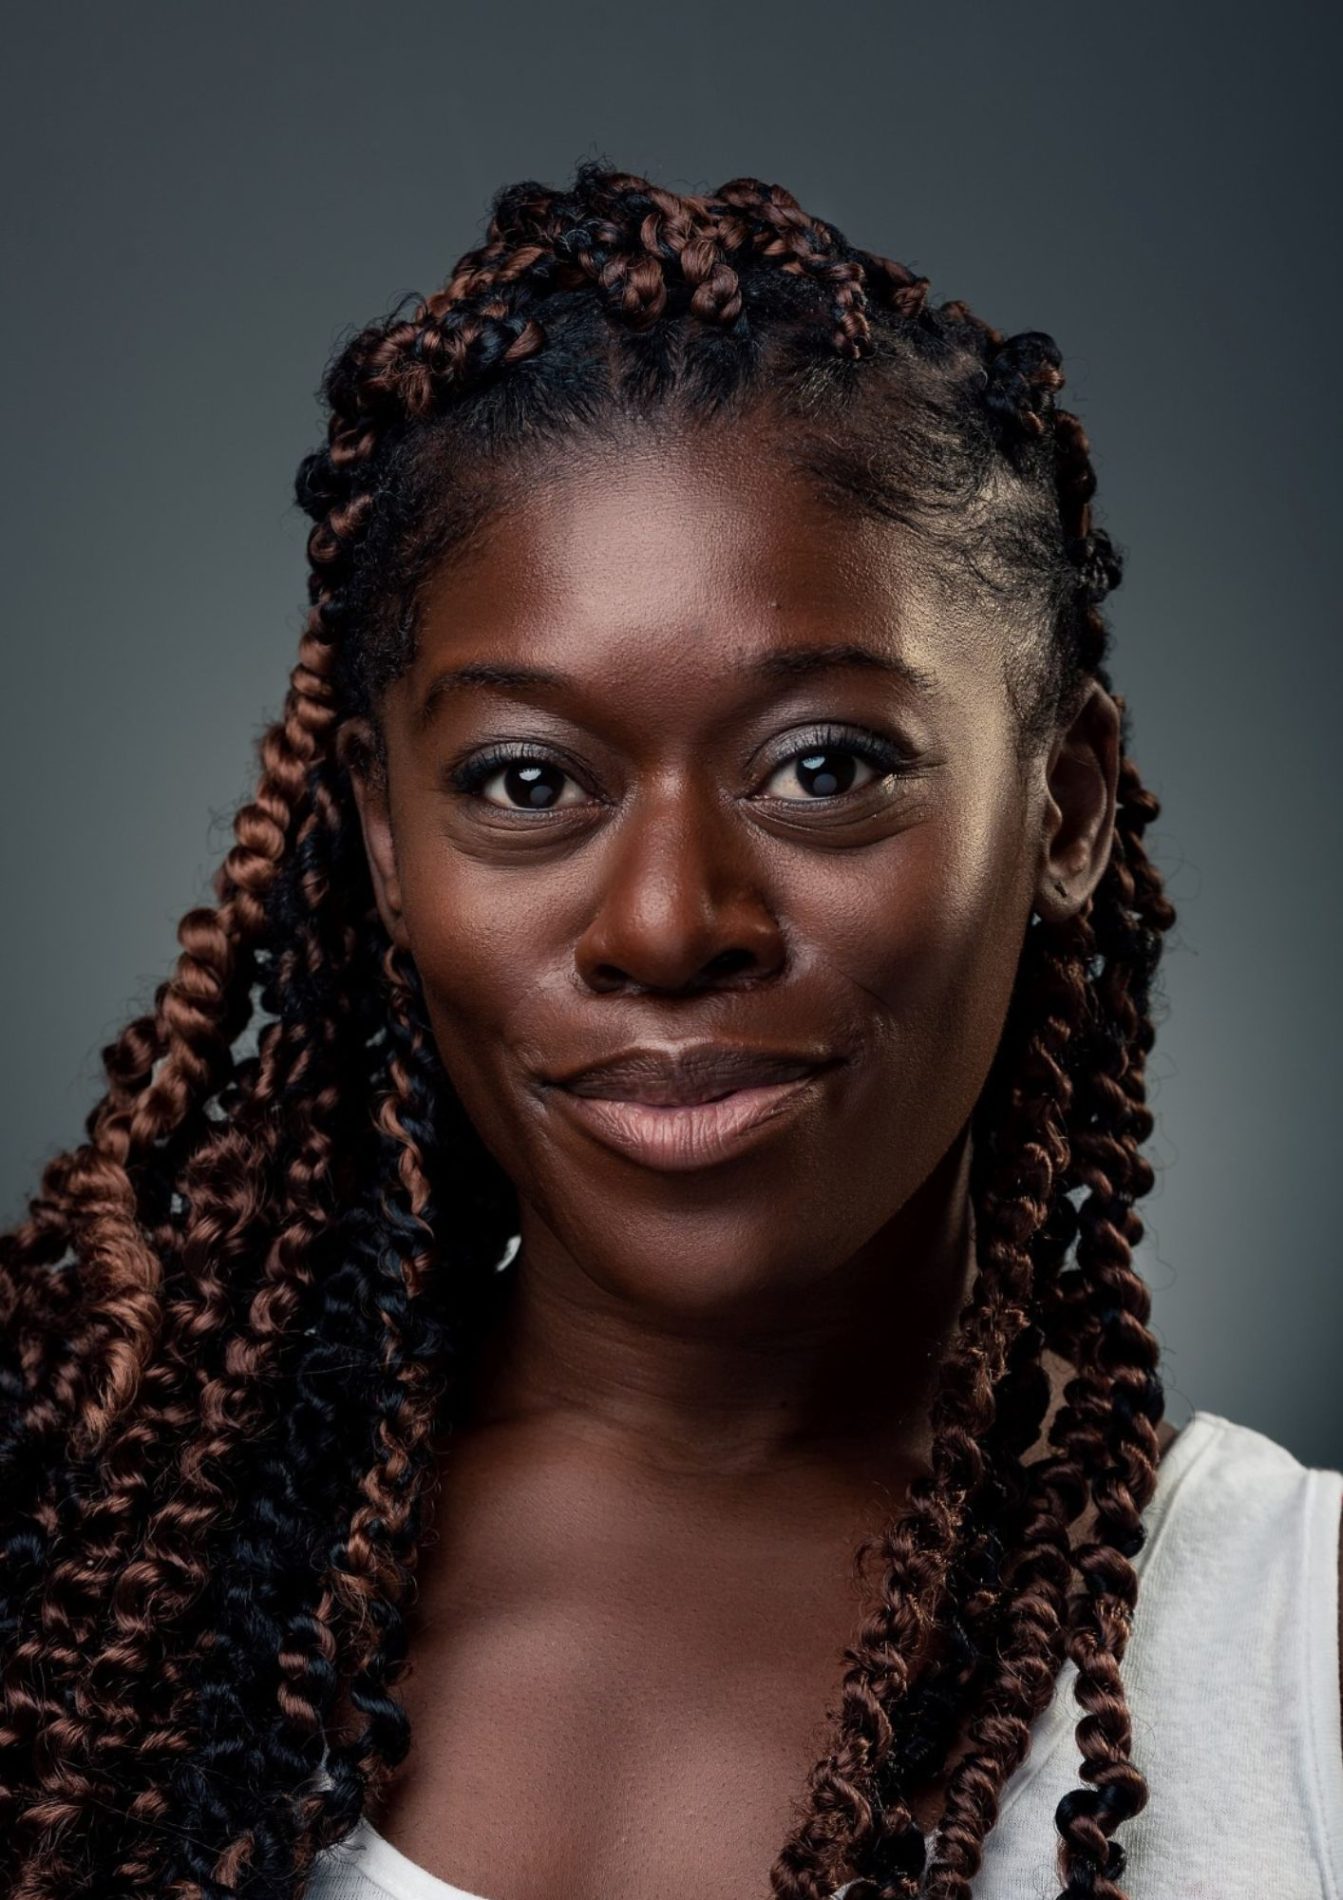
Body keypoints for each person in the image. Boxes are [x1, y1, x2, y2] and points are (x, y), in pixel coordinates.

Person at [0, 162, 1338, 1900]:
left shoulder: (1297, 1649)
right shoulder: (81, 1563)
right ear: (390, 843)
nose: (663, 923)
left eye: (825, 769)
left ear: (1066, 808)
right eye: (529, 782)